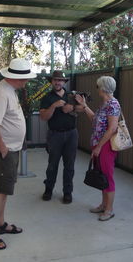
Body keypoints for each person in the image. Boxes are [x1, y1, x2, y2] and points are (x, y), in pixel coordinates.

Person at [0, 58, 36, 250]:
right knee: (1, 190)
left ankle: (1, 223)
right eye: (25, 79)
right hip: (4, 151)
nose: (27, 82)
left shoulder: (9, 90)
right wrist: (4, 149)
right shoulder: (1, 93)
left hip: (10, 149)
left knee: (5, 189)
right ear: (16, 78)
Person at [75, 76, 120, 221]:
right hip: (98, 145)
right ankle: (103, 205)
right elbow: (95, 120)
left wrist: (99, 147)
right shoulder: (104, 104)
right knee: (101, 176)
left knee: (107, 177)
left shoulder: (113, 104)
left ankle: (109, 209)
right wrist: (84, 105)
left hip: (105, 146)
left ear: (103, 88)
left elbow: (112, 128)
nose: (97, 89)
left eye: (98, 86)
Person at [39, 70, 83, 204]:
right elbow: (43, 117)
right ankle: (48, 190)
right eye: (55, 80)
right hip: (55, 135)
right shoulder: (47, 98)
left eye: (60, 80)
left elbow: (82, 108)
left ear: (64, 82)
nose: (58, 82)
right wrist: (53, 106)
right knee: (52, 165)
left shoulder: (72, 96)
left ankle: (67, 193)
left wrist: (73, 108)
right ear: (52, 82)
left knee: (69, 165)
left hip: (71, 134)